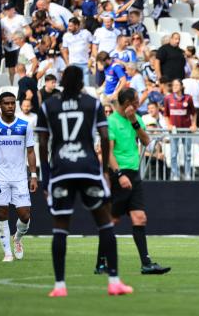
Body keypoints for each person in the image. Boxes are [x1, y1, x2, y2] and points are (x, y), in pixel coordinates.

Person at [37, 66, 132, 297]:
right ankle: (114, 281)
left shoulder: (48, 106)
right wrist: (105, 173)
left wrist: (46, 178)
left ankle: (59, 286)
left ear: (61, 81)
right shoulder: (93, 103)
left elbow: (42, 143)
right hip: (88, 168)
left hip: (61, 170)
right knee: (105, 222)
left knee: (60, 228)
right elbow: (105, 136)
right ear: (81, 83)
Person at [94, 87, 171, 275]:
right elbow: (108, 152)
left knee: (140, 218)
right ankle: (101, 263)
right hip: (118, 174)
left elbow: (146, 142)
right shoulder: (111, 122)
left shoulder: (135, 119)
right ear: (128, 103)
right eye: (136, 102)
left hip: (134, 174)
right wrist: (119, 175)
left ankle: (146, 264)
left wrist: (134, 122)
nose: (139, 104)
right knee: (112, 219)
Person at [0, 92, 37, 262]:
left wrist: (33, 175)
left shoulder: (25, 125)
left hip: (19, 176)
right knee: (2, 213)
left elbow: (30, 151)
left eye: (12, 103)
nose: (10, 106)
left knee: (25, 215)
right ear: (0, 105)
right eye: (6, 103)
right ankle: (7, 253)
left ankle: (17, 238)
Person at [164, 79, 197, 180]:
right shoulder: (168, 98)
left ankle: (187, 174)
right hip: (174, 130)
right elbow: (166, 114)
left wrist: (194, 124)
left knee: (187, 154)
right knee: (174, 154)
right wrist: (168, 124)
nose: (175, 86)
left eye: (177, 85)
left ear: (182, 86)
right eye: (173, 85)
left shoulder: (188, 98)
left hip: (186, 129)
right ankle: (175, 175)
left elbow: (194, 113)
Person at [1, 3, 29, 83]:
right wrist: (5, 38)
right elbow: (2, 33)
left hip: (19, 46)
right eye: (6, 10)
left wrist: (19, 37)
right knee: (11, 68)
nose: (7, 11)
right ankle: (12, 85)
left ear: (13, 9)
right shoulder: (2, 21)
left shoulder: (20, 18)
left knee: (21, 66)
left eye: (9, 9)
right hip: (8, 47)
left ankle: (23, 83)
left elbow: (28, 30)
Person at [62, 17, 93, 86]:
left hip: (85, 63)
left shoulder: (86, 33)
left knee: (86, 85)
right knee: (73, 85)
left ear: (76, 26)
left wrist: (91, 58)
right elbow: (65, 51)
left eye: (71, 26)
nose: (69, 28)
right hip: (73, 64)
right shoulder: (66, 36)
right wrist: (68, 64)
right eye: (68, 26)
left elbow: (92, 45)